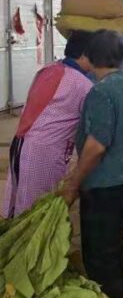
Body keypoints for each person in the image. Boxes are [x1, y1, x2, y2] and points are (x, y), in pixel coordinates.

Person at [59, 30, 123, 298]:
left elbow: (96, 146)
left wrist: (73, 183)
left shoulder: (101, 92)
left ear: (90, 56)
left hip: (106, 184)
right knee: (112, 247)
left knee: (99, 256)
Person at [2, 30, 94, 218]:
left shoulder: (49, 69)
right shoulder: (82, 85)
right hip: (44, 153)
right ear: (84, 54)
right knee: (37, 212)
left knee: (20, 206)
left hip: (21, 143)